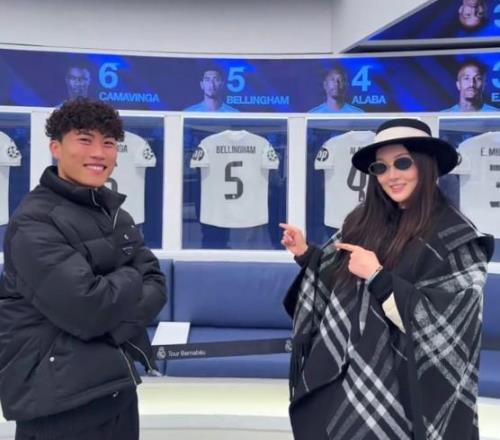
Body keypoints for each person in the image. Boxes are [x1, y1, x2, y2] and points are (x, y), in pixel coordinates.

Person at [280, 118, 494, 440]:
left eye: (402, 163)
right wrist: (306, 254)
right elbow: (339, 276)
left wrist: (378, 277)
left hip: (411, 386)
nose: (391, 176)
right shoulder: (362, 221)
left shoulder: (456, 237)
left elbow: (449, 326)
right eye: (381, 167)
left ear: (427, 165)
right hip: (348, 373)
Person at [0, 98, 167, 440]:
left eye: (108, 143)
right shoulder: (34, 222)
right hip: (59, 404)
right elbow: (91, 309)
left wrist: (112, 318)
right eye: (85, 139)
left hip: (115, 390)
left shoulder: (116, 214)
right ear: (56, 147)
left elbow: (157, 285)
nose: (99, 153)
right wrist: (130, 275)